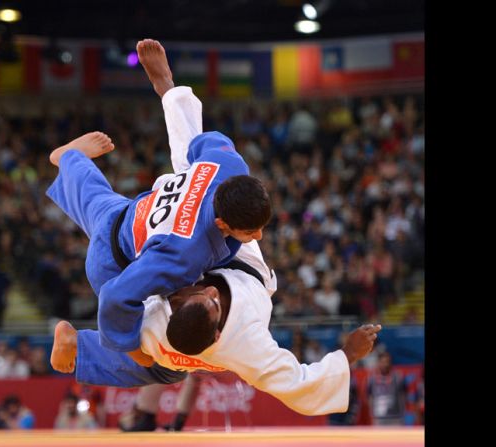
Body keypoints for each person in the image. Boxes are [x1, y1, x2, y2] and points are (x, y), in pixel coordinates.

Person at [46, 39, 271, 367]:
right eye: (250, 231)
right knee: (158, 350)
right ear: (222, 224)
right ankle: (83, 346)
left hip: (125, 213)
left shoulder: (229, 167)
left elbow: (200, 145)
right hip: (113, 262)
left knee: (93, 193)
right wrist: (133, 347)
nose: (259, 237)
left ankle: (70, 159)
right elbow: (114, 297)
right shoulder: (184, 255)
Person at [51, 240, 382, 416]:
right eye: (211, 299)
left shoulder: (157, 320)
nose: (210, 291)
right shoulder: (247, 345)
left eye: (204, 296)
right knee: (165, 370)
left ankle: (80, 348)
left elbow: (118, 303)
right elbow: (298, 385)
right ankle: (81, 349)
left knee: (153, 361)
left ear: (178, 302)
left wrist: (133, 349)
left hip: (162, 335)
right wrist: (348, 353)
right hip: (233, 272)